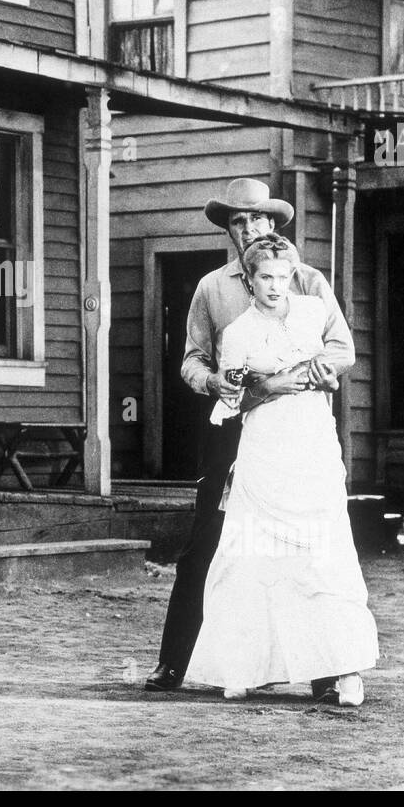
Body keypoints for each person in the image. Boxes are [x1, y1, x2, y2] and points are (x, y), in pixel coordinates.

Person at [143, 178, 351, 696]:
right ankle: (176, 662)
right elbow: (193, 358)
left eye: (258, 219)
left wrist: (289, 381)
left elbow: (340, 349)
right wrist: (212, 381)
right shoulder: (212, 288)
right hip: (231, 430)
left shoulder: (307, 281)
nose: (249, 229)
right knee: (209, 542)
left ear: (274, 224)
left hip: (296, 434)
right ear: (228, 230)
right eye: (238, 221)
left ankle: (323, 673)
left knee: (305, 542)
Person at [185, 235, 378, 704]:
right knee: (252, 556)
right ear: (249, 282)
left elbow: (339, 362)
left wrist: (326, 376)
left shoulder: (313, 313)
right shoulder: (236, 335)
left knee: (323, 554)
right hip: (264, 451)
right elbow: (230, 402)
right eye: (265, 278)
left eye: (283, 276)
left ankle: (344, 671)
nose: (275, 286)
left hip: (311, 445)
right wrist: (269, 384)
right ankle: (243, 666)